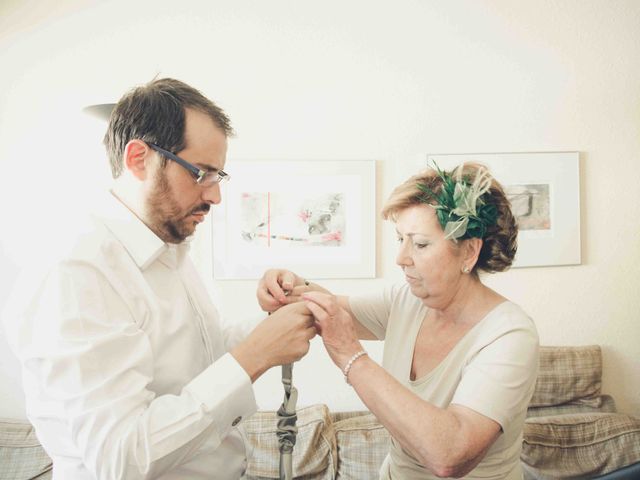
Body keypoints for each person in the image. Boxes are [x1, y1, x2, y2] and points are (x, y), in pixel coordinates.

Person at [3, 78, 316, 479]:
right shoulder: (77, 271)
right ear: (138, 159)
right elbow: (122, 457)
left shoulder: (171, 250)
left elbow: (194, 365)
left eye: (219, 176)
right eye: (201, 172)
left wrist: (272, 326)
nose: (215, 196)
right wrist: (255, 355)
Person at [258, 163, 539, 479]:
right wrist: (288, 285)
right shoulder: (405, 301)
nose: (401, 258)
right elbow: (331, 310)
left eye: (419, 244)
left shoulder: (509, 334)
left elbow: (450, 455)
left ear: (469, 252)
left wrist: (353, 358)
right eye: (400, 239)